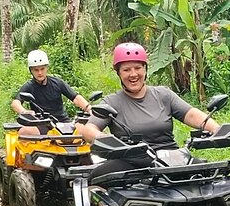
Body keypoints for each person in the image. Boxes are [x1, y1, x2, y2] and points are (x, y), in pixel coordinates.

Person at [76, 42, 222, 180]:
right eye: (126, 70)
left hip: (171, 159)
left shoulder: (163, 95)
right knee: (96, 178)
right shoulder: (112, 102)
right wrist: (108, 141)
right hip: (131, 160)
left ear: (145, 69)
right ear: (119, 73)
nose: (133, 74)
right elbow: (89, 129)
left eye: (138, 68)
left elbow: (190, 113)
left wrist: (215, 128)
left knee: (210, 177)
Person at [11, 49, 92, 136]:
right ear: (31, 70)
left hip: (63, 121)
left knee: (87, 129)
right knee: (25, 131)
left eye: (42, 69)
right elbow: (15, 103)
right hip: (42, 123)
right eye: (36, 70)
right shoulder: (29, 86)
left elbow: (75, 98)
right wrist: (24, 112)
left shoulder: (58, 83)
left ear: (47, 68)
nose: (40, 73)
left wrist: (89, 108)